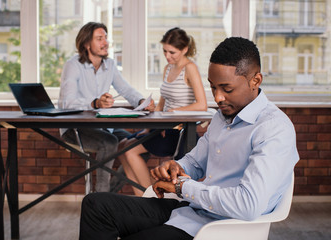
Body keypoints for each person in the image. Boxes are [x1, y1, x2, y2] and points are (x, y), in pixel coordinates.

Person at [78, 37, 299, 240]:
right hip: (191, 210)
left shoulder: (273, 129)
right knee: (95, 205)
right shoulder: (223, 117)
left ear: (256, 80)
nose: (218, 97)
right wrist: (176, 168)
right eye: (213, 87)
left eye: (227, 89)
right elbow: (194, 162)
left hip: (222, 226)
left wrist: (183, 188)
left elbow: (248, 205)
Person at [58, 22, 155, 193]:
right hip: (76, 128)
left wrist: (141, 101)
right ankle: (101, 198)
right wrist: (95, 103)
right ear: (87, 44)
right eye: (99, 38)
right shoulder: (73, 65)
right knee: (109, 143)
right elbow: (67, 102)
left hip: (104, 126)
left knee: (140, 144)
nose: (106, 42)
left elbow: (125, 89)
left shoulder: (109, 65)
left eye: (106, 38)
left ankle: (107, 194)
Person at [118, 27, 207, 196]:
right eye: (165, 51)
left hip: (179, 132)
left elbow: (201, 104)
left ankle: (151, 196)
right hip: (163, 127)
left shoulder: (190, 68)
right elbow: (162, 102)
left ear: (185, 49)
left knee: (129, 150)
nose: (167, 56)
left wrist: (173, 112)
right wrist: (149, 126)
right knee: (122, 146)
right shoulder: (168, 68)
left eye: (172, 52)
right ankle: (142, 198)